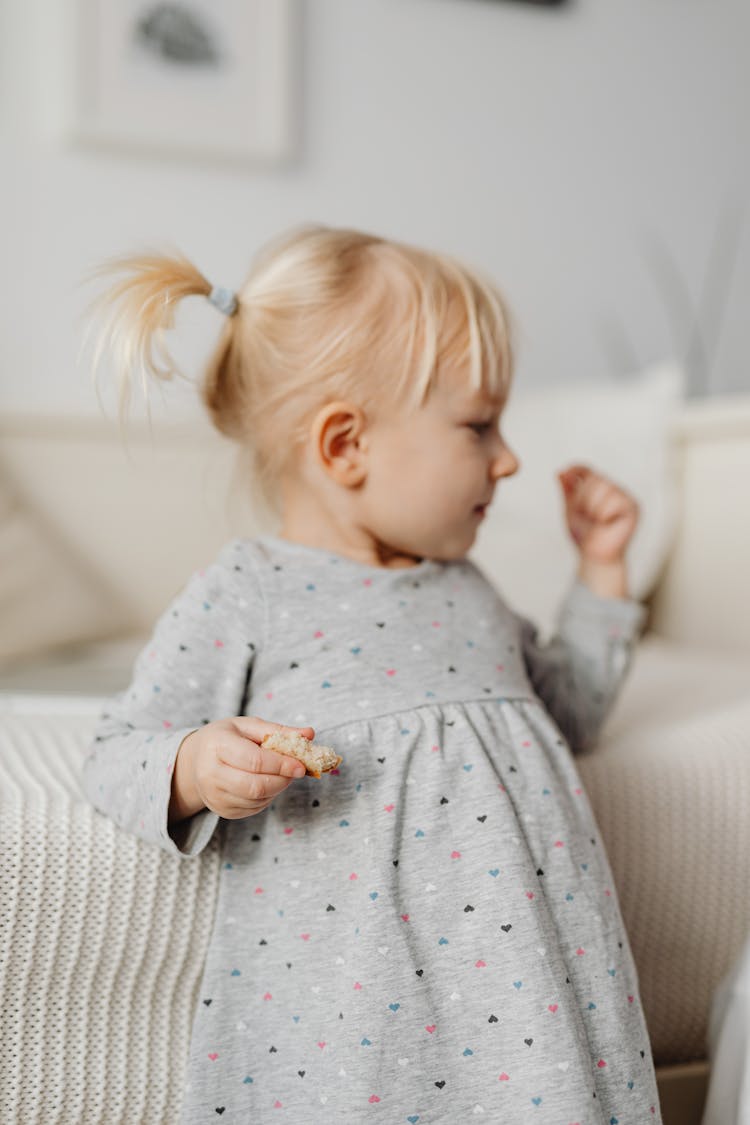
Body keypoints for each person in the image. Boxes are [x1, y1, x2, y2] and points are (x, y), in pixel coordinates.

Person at [82, 224, 662, 1123]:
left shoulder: (469, 591)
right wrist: (198, 765)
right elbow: (116, 750)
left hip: (535, 1005)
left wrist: (604, 574)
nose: (507, 458)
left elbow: (570, 715)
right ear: (345, 444)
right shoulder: (252, 590)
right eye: (479, 425)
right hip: (353, 1026)